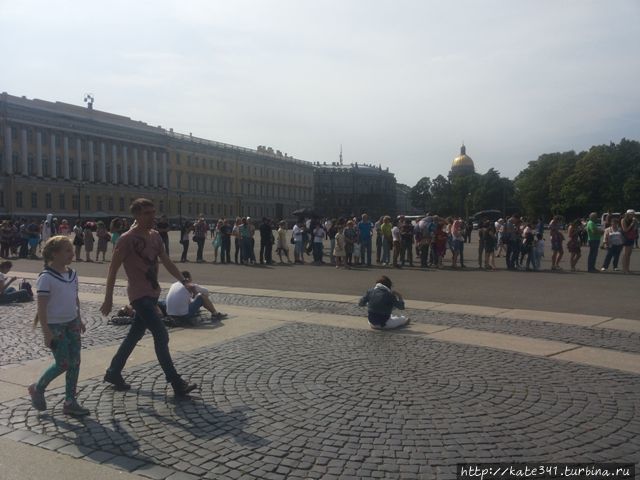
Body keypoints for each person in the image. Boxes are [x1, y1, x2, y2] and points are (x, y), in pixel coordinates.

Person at [100, 198, 197, 397]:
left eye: (153, 212)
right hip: (138, 296)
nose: (152, 216)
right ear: (136, 215)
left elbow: (167, 262)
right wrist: (108, 298)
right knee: (161, 334)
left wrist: (183, 282)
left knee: (134, 335)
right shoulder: (126, 239)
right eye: (146, 213)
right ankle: (176, 382)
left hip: (152, 293)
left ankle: (113, 372)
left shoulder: (155, 237)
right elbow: (112, 269)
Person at [28, 236, 89, 416]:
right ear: (55, 254)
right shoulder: (46, 277)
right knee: (63, 363)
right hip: (55, 325)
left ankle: (70, 401)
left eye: (72, 250)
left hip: (72, 323)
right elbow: (42, 307)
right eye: (67, 250)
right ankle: (38, 388)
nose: (72, 253)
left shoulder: (73, 274)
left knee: (75, 362)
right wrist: (47, 332)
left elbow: (74, 297)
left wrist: (79, 319)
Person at [620, 210, 637, 274]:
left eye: (633, 214)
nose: (633, 215)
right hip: (626, 238)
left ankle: (627, 268)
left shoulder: (632, 220)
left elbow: (634, 229)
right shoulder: (623, 220)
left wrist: (634, 223)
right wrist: (632, 223)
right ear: (627, 214)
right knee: (625, 254)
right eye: (631, 214)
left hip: (631, 238)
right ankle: (624, 269)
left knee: (629, 254)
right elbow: (625, 230)